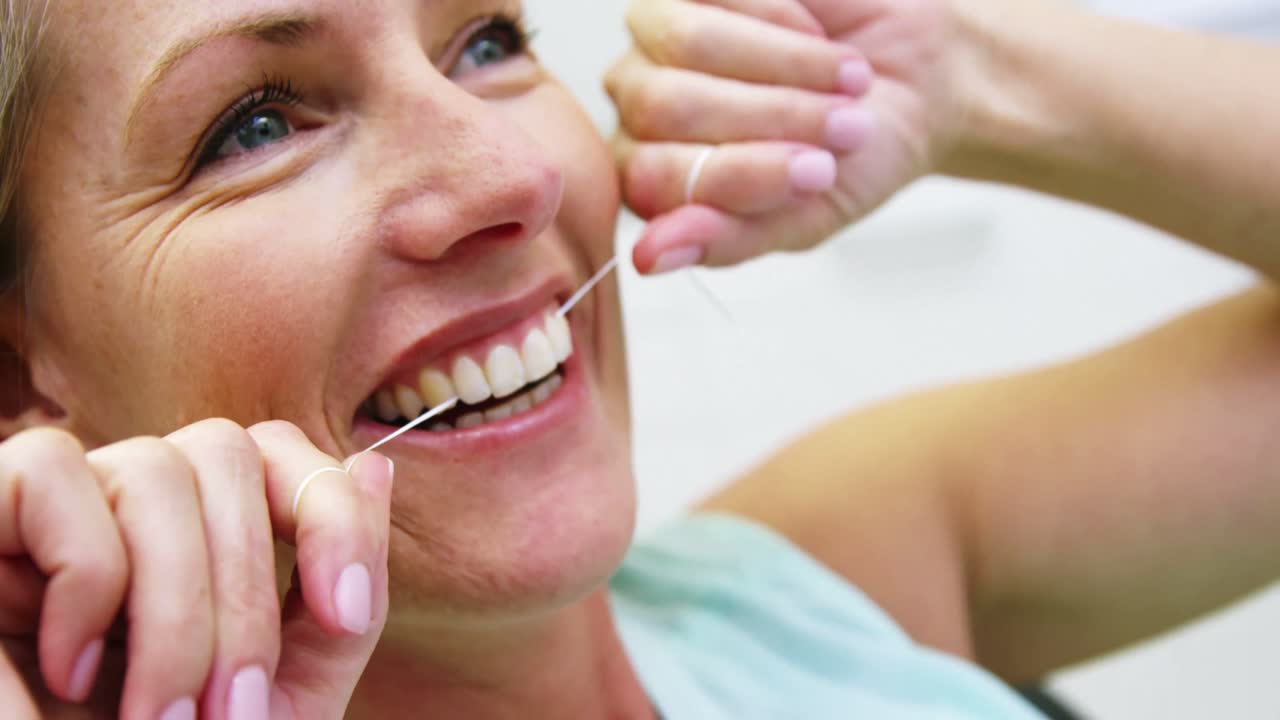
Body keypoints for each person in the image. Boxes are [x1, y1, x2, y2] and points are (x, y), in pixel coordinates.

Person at [0, 0, 1277, 718]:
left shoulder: (815, 585)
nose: (515, 173)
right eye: (257, 125)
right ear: (18, 381)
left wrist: (970, 76)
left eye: (487, 42)